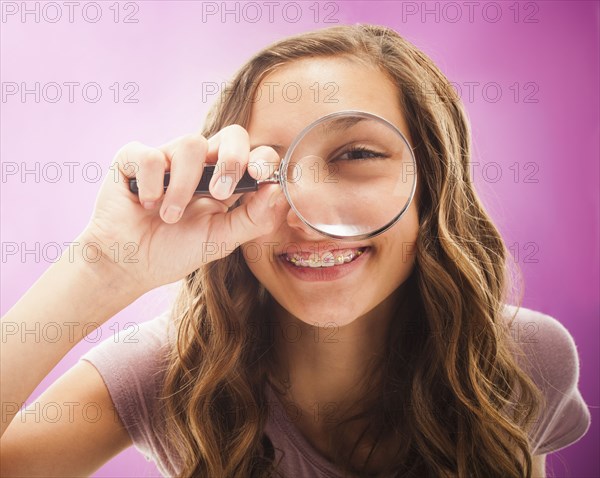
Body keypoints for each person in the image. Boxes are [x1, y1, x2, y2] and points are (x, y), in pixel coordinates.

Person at [0, 24, 591, 478]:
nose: (310, 213)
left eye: (356, 155)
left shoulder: (521, 361)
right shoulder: (166, 371)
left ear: (431, 185)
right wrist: (101, 267)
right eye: (267, 167)